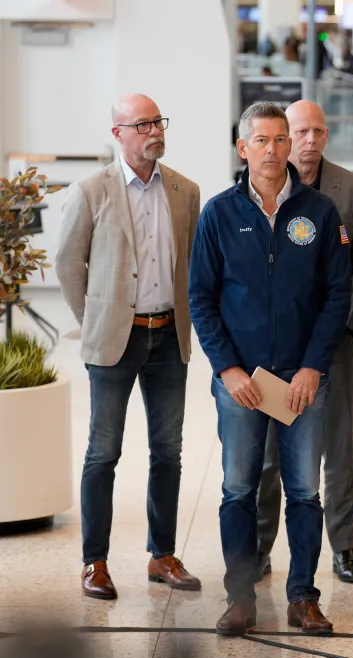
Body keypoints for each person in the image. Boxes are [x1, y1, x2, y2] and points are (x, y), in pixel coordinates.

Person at [189, 102, 351, 636]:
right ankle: (240, 598)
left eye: (282, 139)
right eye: (262, 140)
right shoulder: (219, 213)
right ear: (243, 148)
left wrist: (311, 368)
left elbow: (336, 297)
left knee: (304, 490)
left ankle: (304, 596)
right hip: (243, 384)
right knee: (238, 488)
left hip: (302, 382)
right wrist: (228, 369)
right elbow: (202, 300)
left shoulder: (320, 212)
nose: (275, 150)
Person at [55, 94, 203, 601]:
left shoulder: (186, 190)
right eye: (142, 124)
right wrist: (93, 320)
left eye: (158, 121)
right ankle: (94, 562)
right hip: (115, 339)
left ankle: (161, 554)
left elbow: (192, 267)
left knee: (169, 451)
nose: (154, 131)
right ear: (118, 133)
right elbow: (68, 264)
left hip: (168, 335)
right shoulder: (91, 190)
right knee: (103, 452)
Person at [255, 100, 353, 586]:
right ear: (285, 136)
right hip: (275, 347)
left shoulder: (352, 190)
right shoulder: (264, 184)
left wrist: (341, 329)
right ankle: (262, 546)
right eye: (299, 131)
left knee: (337, 447)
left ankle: (343, 545)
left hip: (334, 345)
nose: (309, 140)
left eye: (318, 131)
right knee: (267, 451)